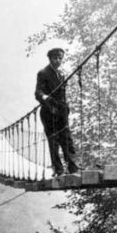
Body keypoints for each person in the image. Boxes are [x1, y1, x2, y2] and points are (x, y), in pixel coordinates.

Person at [35, 48, 79, 176]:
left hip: (61, 111)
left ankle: (73, 167)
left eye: (60, 58)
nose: (58, 60)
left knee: (66, 137)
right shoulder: (43, 73)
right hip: (48, 110)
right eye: (55, 58)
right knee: (53, 140)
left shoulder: (62, 74)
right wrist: (46, 97)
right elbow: (38, 93)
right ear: (50, 58)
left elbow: (63, 96)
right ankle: (58, 169)